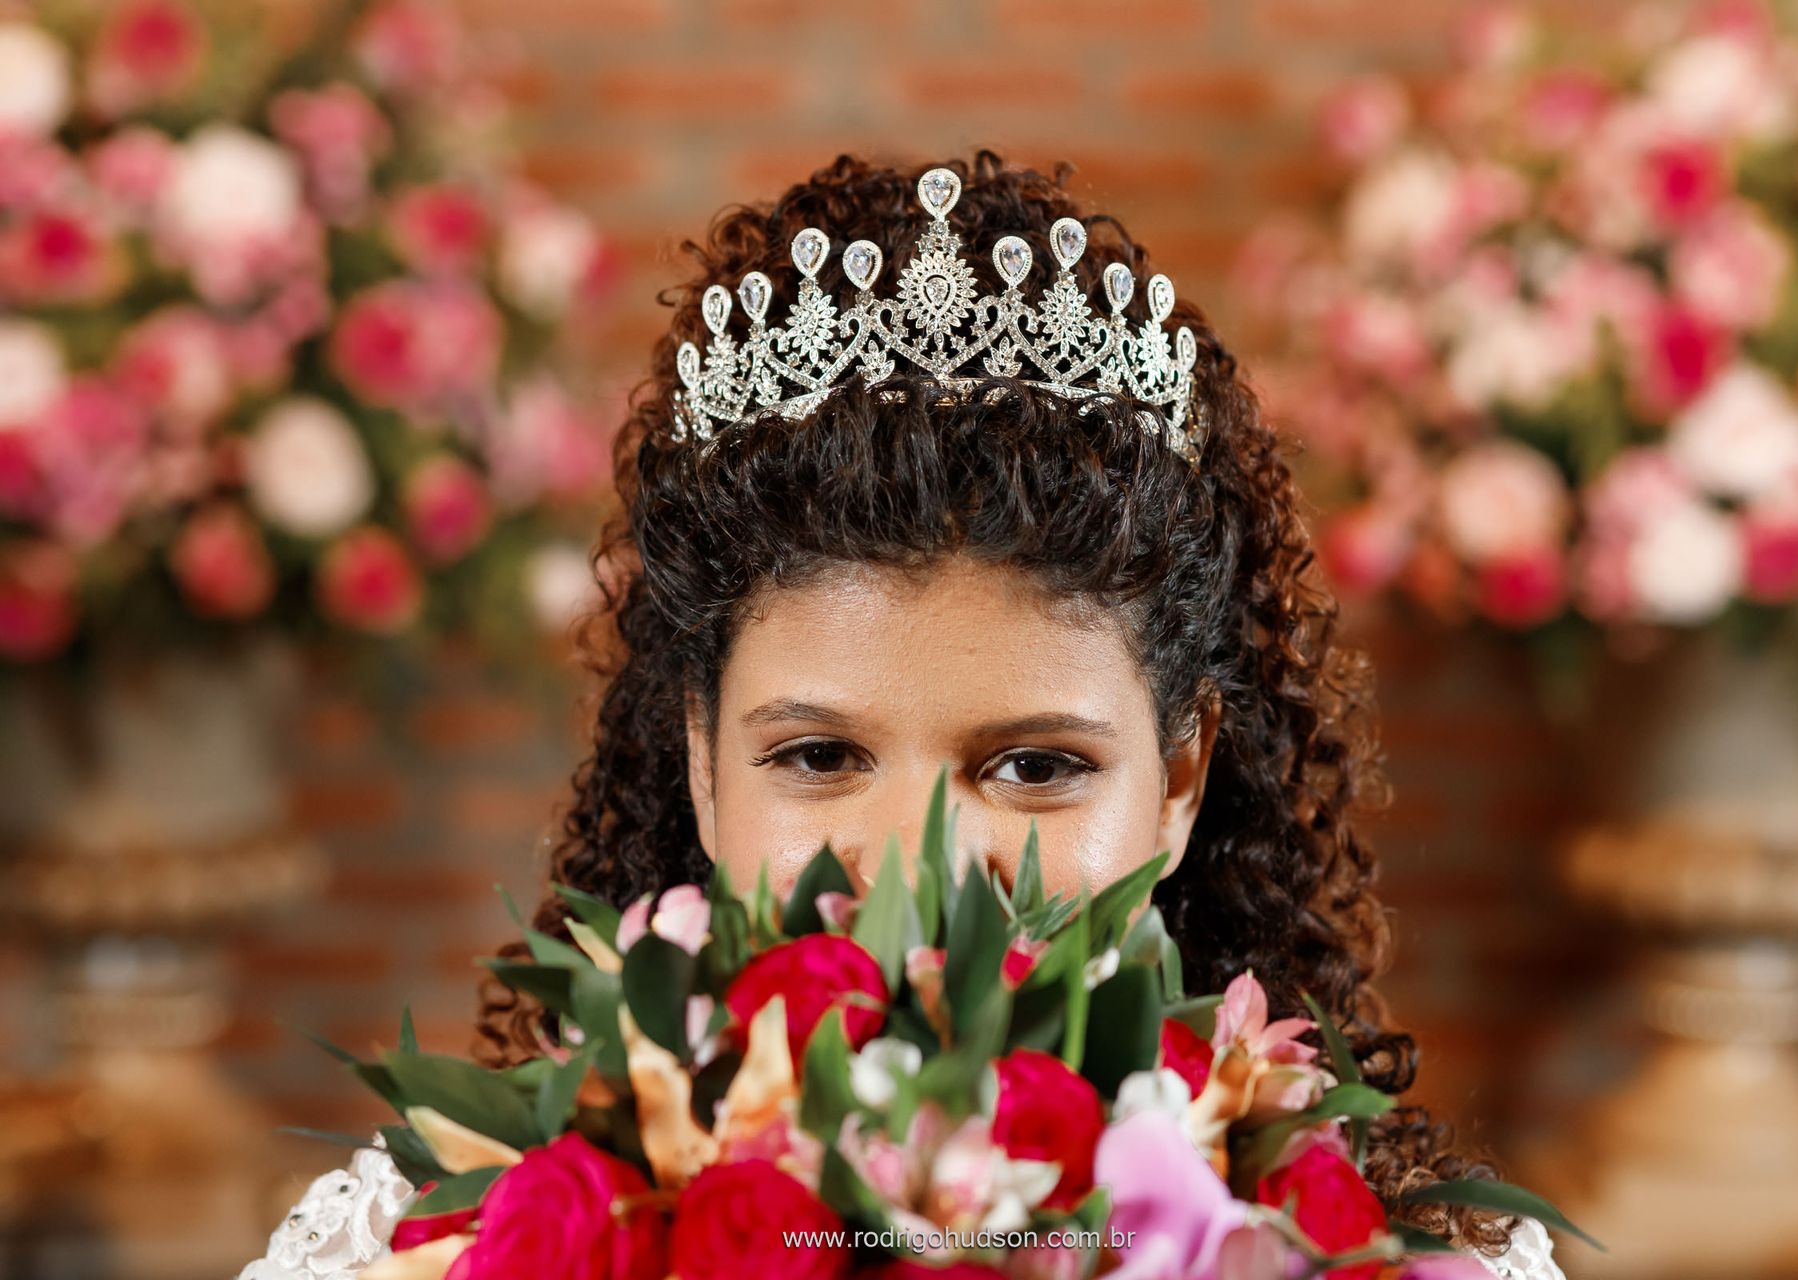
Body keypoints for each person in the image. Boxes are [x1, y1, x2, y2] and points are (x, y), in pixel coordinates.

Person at [240, 151, 1564, 1280]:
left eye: (1036, 766)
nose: (923, 867)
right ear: (701, 763)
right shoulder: (429, 1252)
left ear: (1178, 779)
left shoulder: (1398, 1257)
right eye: (819, 756)